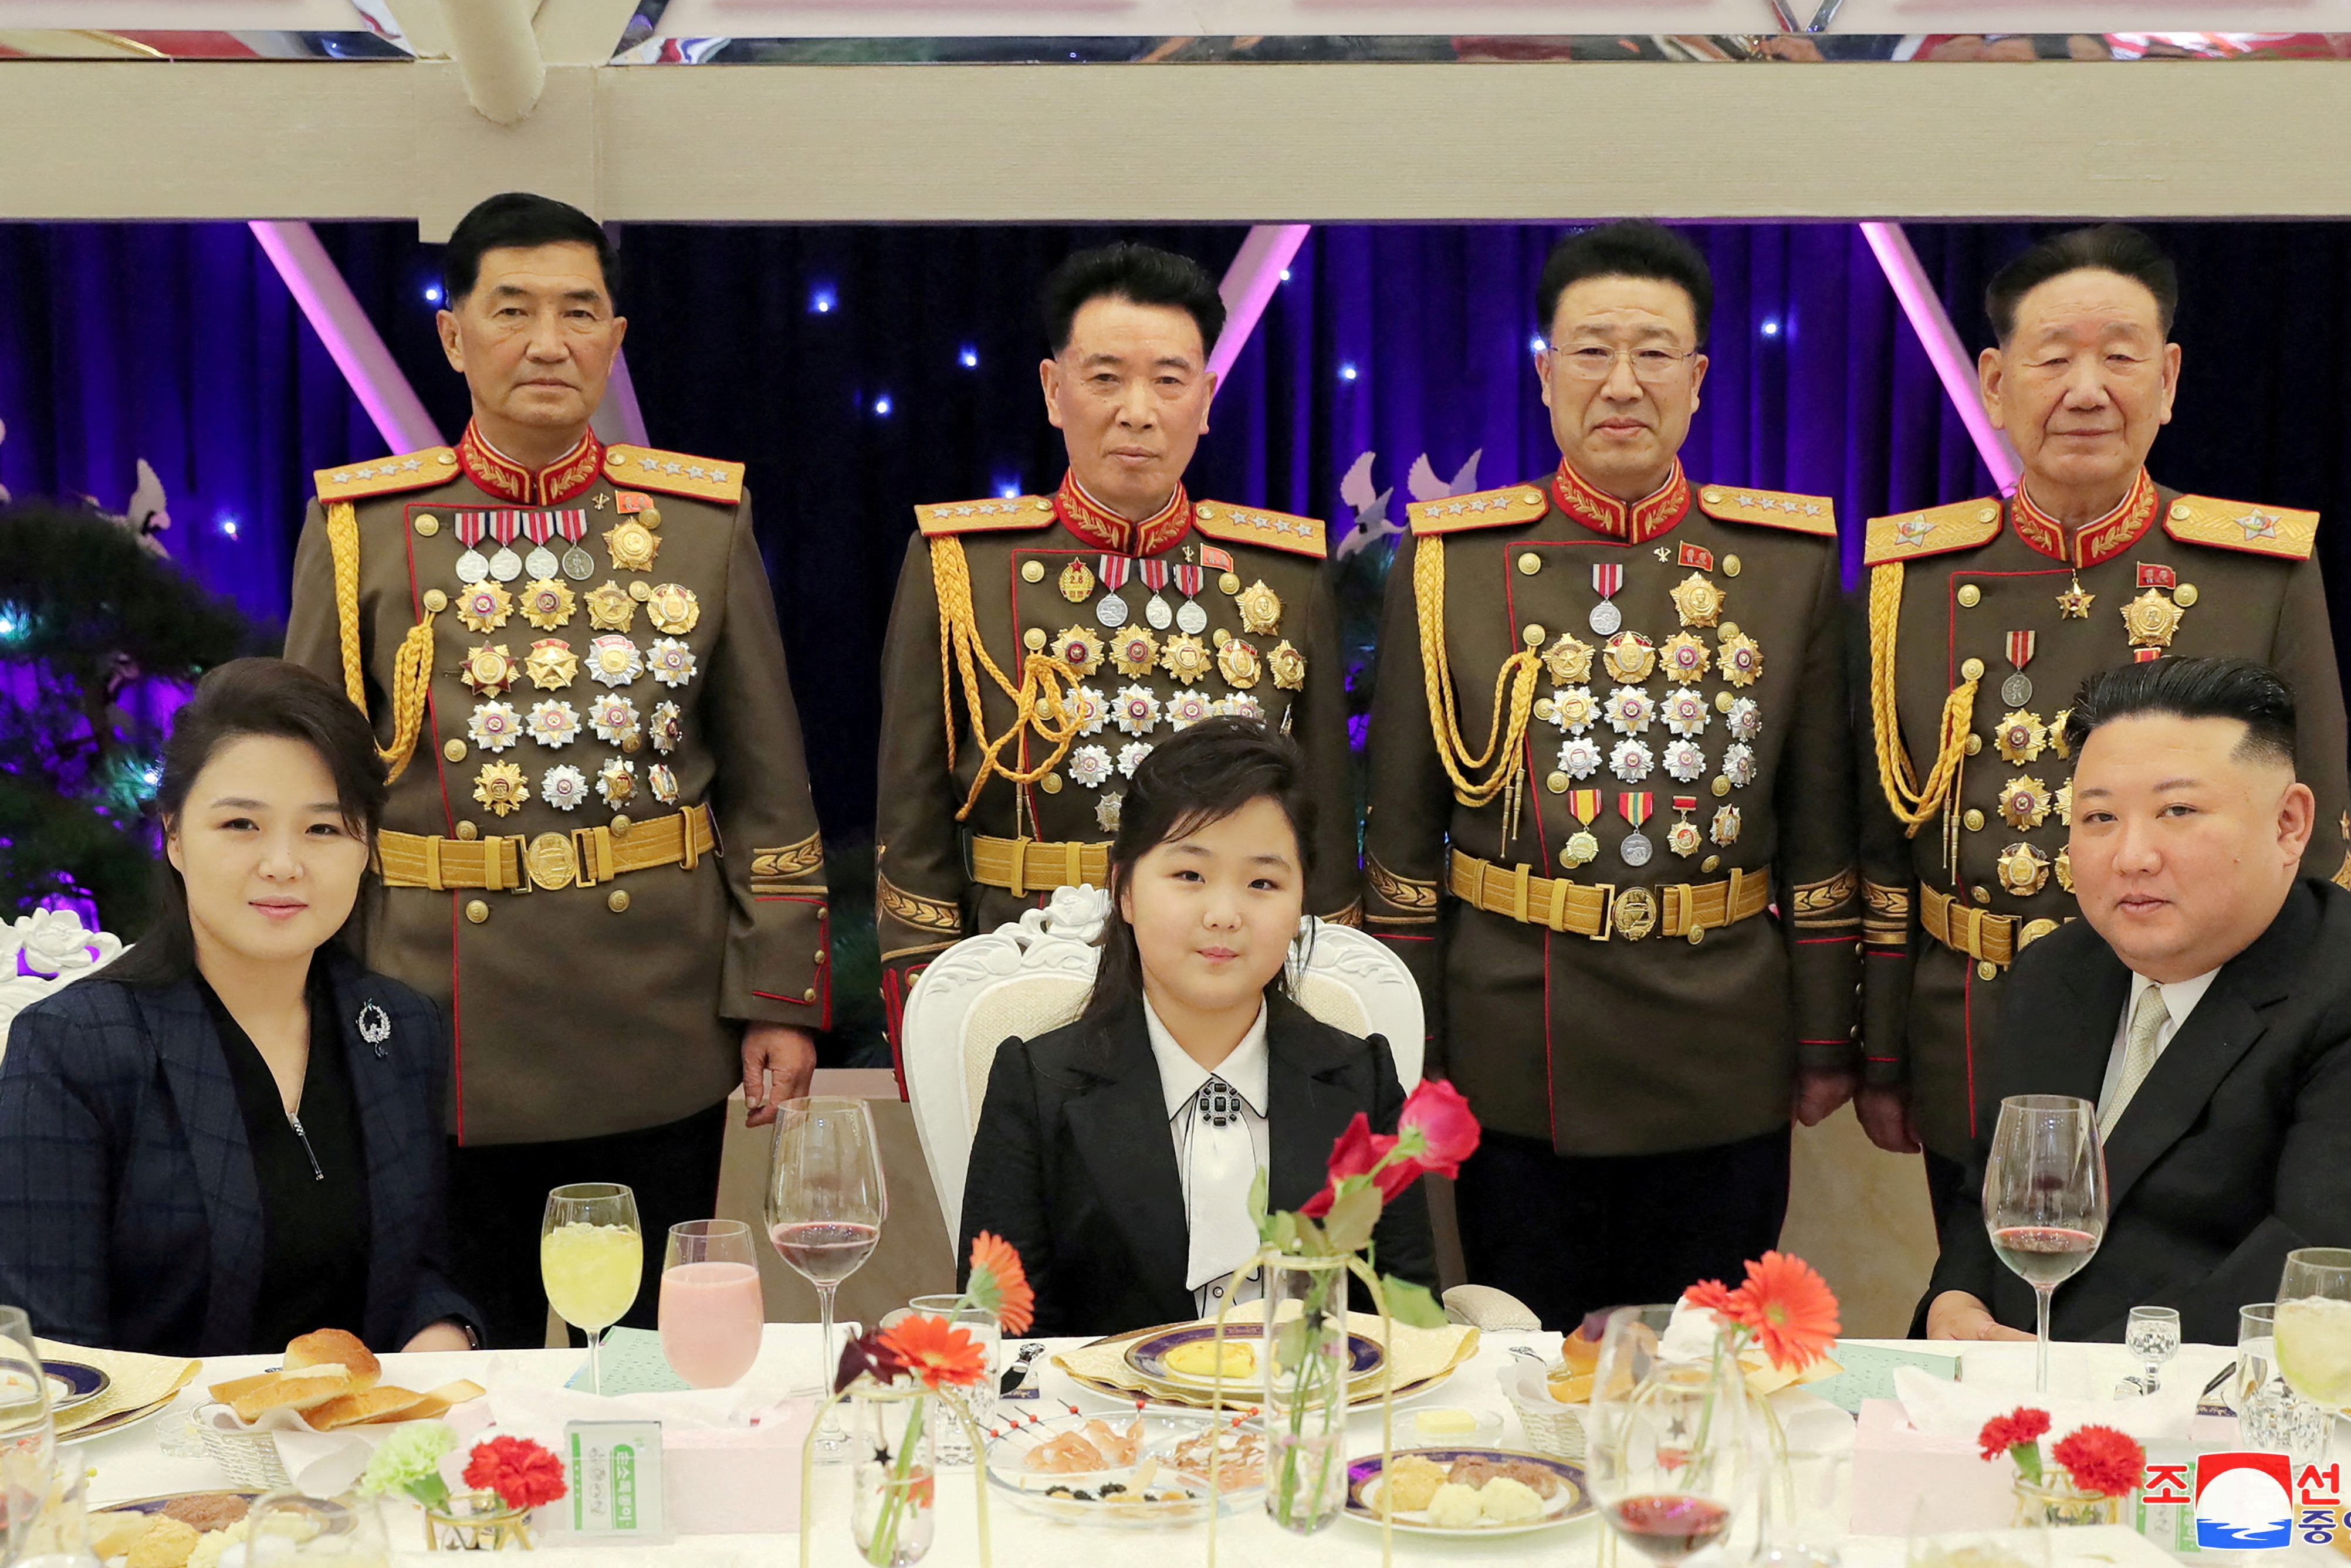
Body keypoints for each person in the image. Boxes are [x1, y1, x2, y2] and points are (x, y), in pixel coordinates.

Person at [282, 192, 828, 1348]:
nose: (547, 341)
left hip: (651, 1011)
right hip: (432, 1013)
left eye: (579, 311)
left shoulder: (697, 520)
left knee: (637, 1360)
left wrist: (778, 993)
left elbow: (767, 781)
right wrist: (306, 997)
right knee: (444, 1347)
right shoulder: (364, 527)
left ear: (614, 339)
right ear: (453, 334)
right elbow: (309, 796)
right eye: (513, 309)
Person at [1359, 221, 1861, 1332]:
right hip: (1513, 1051)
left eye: (1653, 352)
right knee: (1516, 1368)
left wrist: (1826, 1040)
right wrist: (1408, 1050)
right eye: (1590, 351)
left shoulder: (1784, 565)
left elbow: (1821, 832)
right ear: (1544, 376)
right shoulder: (1452, 561)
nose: (1621, 382)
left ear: (1698, 379)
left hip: (1719, 1044)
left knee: (1705, 1373)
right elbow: (1398, 845)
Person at [1856, 224, 2351, 1215]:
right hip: (1978, 1033)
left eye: (2120, 357)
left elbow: (2316, 848)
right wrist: (1873, 1051)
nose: (2086, 389)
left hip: (2198, 1037)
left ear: (2167, 379)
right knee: (1990, 1326)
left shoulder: (2256, 572)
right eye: (2052, 359)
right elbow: (1879, 841)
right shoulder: (1910, 581)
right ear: (1994, 383)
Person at [1922, 656, 2351, 1350]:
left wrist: (2073, 1374)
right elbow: (1993, 1192)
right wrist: (1953, 1297)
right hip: (2015, 1408)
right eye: (2098, 816)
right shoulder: (2057, 972)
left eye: (2178, 811)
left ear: (2288, 824)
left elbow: (2326, 1285)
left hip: (2250, 1431)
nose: (2132, 855)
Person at [874, 242, 1358, 1058]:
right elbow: (912, 827)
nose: (1137, 409)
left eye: (1168, 381)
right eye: (1105, 378)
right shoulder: (962, 565)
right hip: (1019, 981)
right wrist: (926, 1016)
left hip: (1229, 993)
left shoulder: (1283, 576)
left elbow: (1326, 839)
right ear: (1054, 391)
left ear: (1205, 400)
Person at [0, 659, 482, 1355]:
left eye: (323, 829)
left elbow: (420, 1269)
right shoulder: (74, 1047)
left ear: (366, 845)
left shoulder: (400, 1026)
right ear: (173, 834)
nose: (283, 863)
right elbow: (50, 1352)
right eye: (240, 825)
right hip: (163, 1453)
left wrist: (440, 1332)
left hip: (363, 1446)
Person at [956, 718, 1432, 1337]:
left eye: (1263, 882)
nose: (1224, 914)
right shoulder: (1037, 1083)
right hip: (1105, 1428)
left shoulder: (1361, 1078)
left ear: (1299, 906)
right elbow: (999, 1342)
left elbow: (1413, 1322)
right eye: (1189, 875)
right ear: (1124, 889)